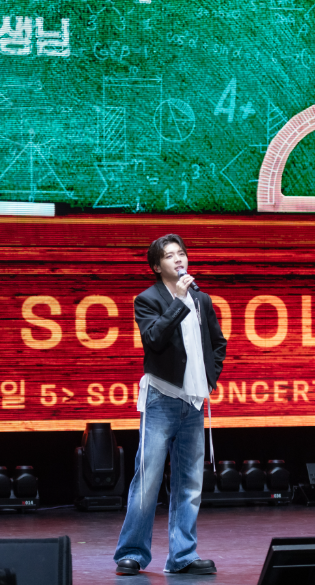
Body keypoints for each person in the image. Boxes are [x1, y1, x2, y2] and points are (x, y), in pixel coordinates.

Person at [113, 233, 227, 576]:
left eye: (181, 253)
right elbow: (153, 338)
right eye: (169, 255)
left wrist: (210, 377)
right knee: (147, 480)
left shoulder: (202, 299)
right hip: (162, 398)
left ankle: (182, 556)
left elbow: (218, 343)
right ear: (156, 266)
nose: (178, 259)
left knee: (189, 483)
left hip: (193, 402)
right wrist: (177, 300)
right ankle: (132, 552)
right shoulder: (147, 299)